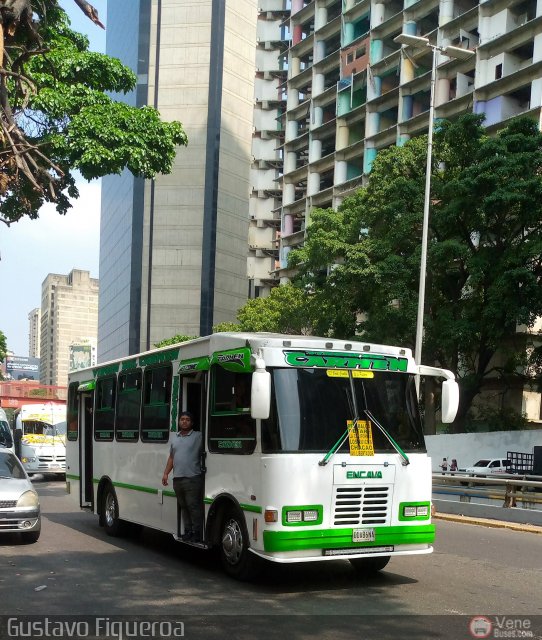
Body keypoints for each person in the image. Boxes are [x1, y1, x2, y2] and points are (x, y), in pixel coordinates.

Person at [162, 411, 204, 543]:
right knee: (184, 506)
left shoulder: (198, 436)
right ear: (179, 422)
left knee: (193, 506)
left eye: (187, 419)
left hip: (192, 478)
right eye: (182, 419)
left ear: (192, 423)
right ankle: (188, 531)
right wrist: (166, 473)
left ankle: (197, 532)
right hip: (177, 479)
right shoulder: (175, 437)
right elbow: (172, 457)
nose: (184, 421)